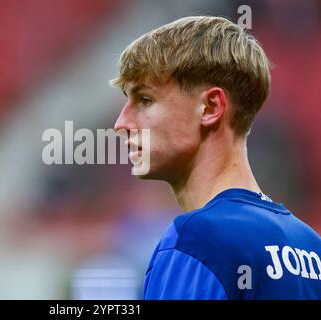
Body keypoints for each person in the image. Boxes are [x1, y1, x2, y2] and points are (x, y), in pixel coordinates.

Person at [111, 16, 321, 300]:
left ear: (210, 107)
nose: (121, 123)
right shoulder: (310, 246)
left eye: (145, 100)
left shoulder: (197, 240)